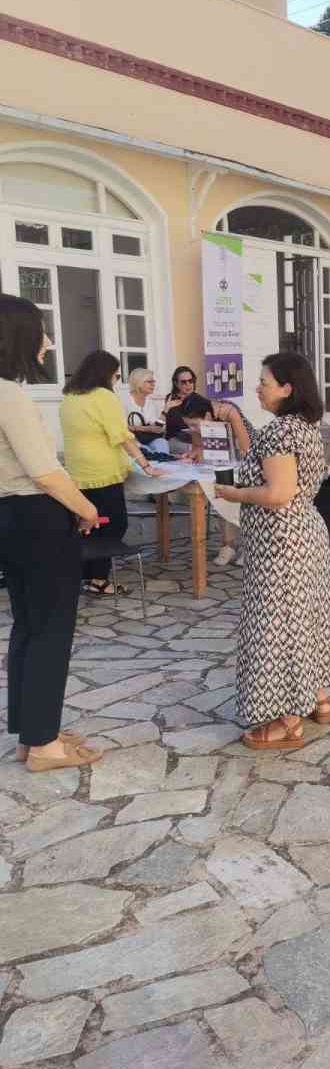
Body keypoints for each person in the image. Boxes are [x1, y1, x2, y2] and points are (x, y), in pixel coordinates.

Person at [214, 352, 330, 749]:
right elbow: (263, 457)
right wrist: (236, 419)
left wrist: (234, 493)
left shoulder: (280, 431)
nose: (258, 388)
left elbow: (277, 492)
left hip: (280, 543)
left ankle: (288, 722)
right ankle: (318, 698)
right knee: (306, 621)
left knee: (279, 629)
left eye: (264, 382)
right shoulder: (303, 426)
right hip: (304, 535)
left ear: (287, 388)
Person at [0, 294, 103, 772]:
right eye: (41, 329)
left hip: (10, 518)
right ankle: (43, 744)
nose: (47, 340)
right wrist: (86, 509)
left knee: (29, 625)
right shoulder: (10, 395)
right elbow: (43, 472)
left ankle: (32, 733)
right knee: (51, 630)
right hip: (38, 518)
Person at [60, 351, 162, 596]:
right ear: (104, 374)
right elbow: (122, 436)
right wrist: (146, 465)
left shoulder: (69, 398)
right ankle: (97, 579)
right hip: (103, 472)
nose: (117, 381)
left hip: (78, 472)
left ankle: (86, 576)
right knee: (115, 525)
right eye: (116, 376)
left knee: (89, 525)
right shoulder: (104, 397)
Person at [210, 399, 253, 568]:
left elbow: (247, 451)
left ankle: (248, 547)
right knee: (221, 495)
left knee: (245, 500)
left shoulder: (237, 420)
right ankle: (228, 546)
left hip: (249, 470)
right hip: (226, 468)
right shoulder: (209, 423)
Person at [164, 365, 214, 452]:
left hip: (195, 440)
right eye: (184, 382)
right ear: (176, 383)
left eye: (191, 381)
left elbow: (208, 426)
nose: (188, 384)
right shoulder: (170, 398)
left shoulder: (202, 401)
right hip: (174, 440)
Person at [125, 368, 167, 453]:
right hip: (131, 439)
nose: (153, 384)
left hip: (148, 438)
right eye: (150, 382)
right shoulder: (125, 400)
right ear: (138, 383)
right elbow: (120, 427)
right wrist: (145, 428)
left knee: (162, 443)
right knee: (145, 450)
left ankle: (164, 460)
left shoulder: (149, 401)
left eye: (153, 381)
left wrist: (166, 409)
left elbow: (156, 426)